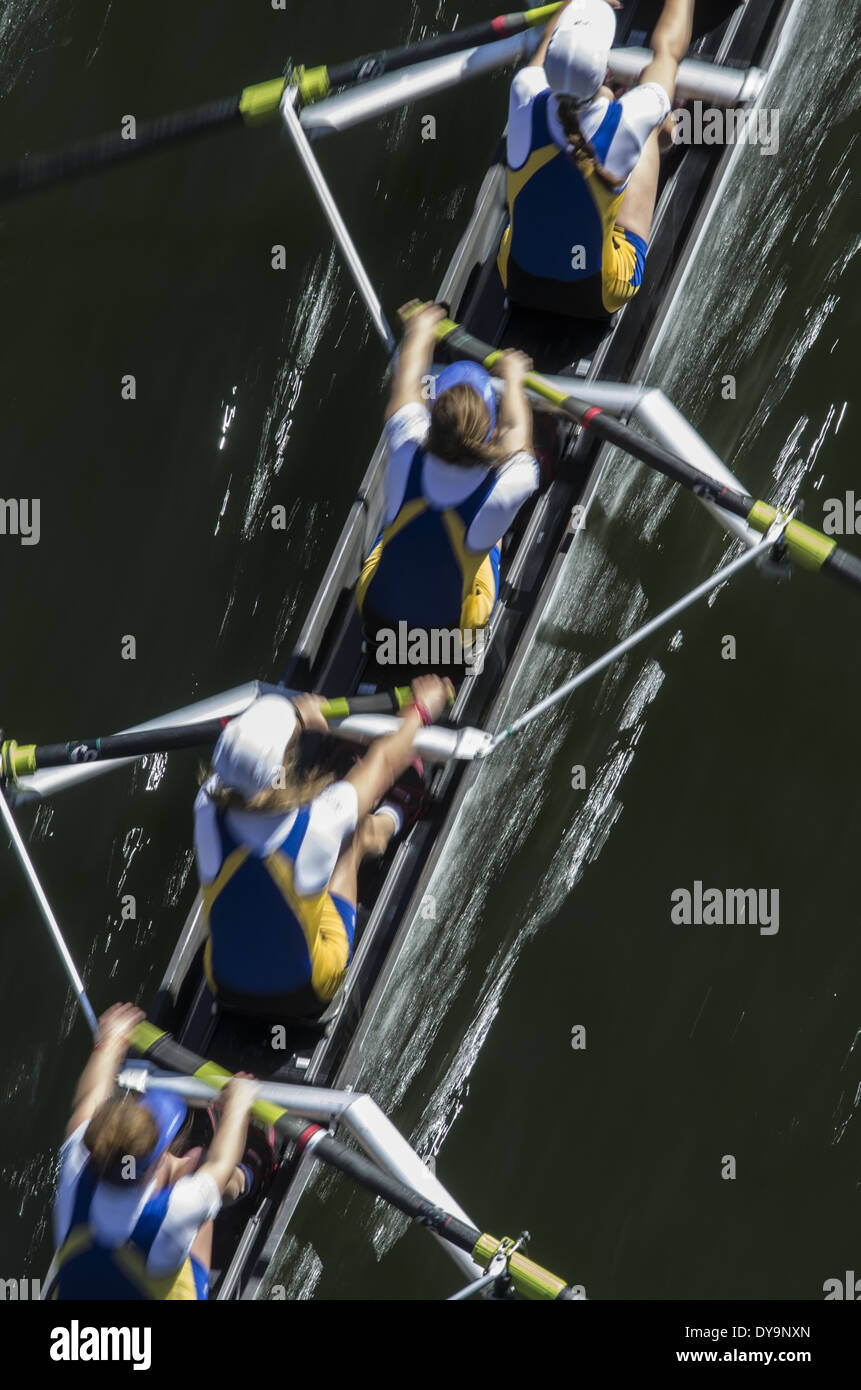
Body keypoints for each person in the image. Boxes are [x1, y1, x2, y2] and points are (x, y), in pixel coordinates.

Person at [194, 677, 452, 1019]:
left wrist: (298, 719)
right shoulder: (321, 823)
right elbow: (387, 761)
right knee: (353, 834)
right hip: (307, 991)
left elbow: (244, 771)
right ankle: (396, 814)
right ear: (280, 769)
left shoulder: (204, 808)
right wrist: (420, 709)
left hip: (224, 984)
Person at [45, 1002, 259, 1300]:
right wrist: (238, 1108)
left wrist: (109, 1044)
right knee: (200, 1167)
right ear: (151, 1165)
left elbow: (89, 1102)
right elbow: (221, 1162)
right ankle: (252, 1172)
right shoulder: (176, 1212)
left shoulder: (75, 1164)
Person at [497, 0, 695, 318]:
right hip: (597, 296)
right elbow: (668, 58)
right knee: (652, 118)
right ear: (605, 70)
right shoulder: (629, 120)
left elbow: (545, 49)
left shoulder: (523, 90)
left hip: (516, 279)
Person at [356, 301, 539, 643]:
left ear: (432, 417)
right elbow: (519, 435)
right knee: (492, 533)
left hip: (375, 612)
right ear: (492, 433)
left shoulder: (406, 445)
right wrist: (514, 379)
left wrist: (420, 331)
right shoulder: (510, 483)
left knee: (399, 526)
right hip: (446, 638)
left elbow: (408, 384)